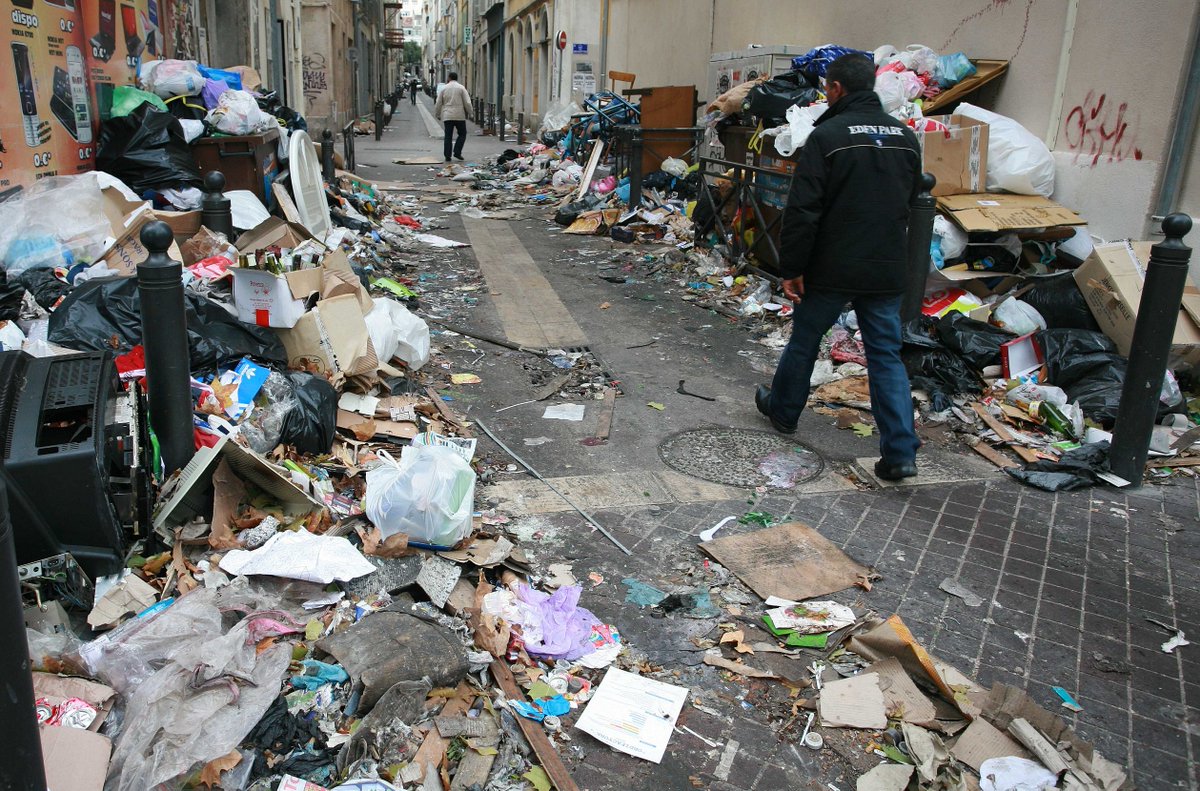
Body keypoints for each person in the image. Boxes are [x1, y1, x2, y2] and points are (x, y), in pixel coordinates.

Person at [754, 53, 923, 482]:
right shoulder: (905, 138)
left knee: (806, 339)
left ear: (835, 88)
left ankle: (783, 411)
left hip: (833, 264)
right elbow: (908, 201)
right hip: (886, 265)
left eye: (827, 88)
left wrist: (792, 267)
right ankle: (900, 452)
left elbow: (803, 209)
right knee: (885, 355)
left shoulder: (827, 136)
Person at [434, 72, 471, 161]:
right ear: (457, 78)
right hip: (459, 115)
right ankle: (457, 152)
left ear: (449, 78)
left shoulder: (444, 88)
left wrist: (437, 114)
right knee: (462, 134)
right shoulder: (461, 88)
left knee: (448, 136)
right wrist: (471, 113)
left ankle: (447, 155)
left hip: (447, 114)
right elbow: (467, 102)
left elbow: (438, 102)